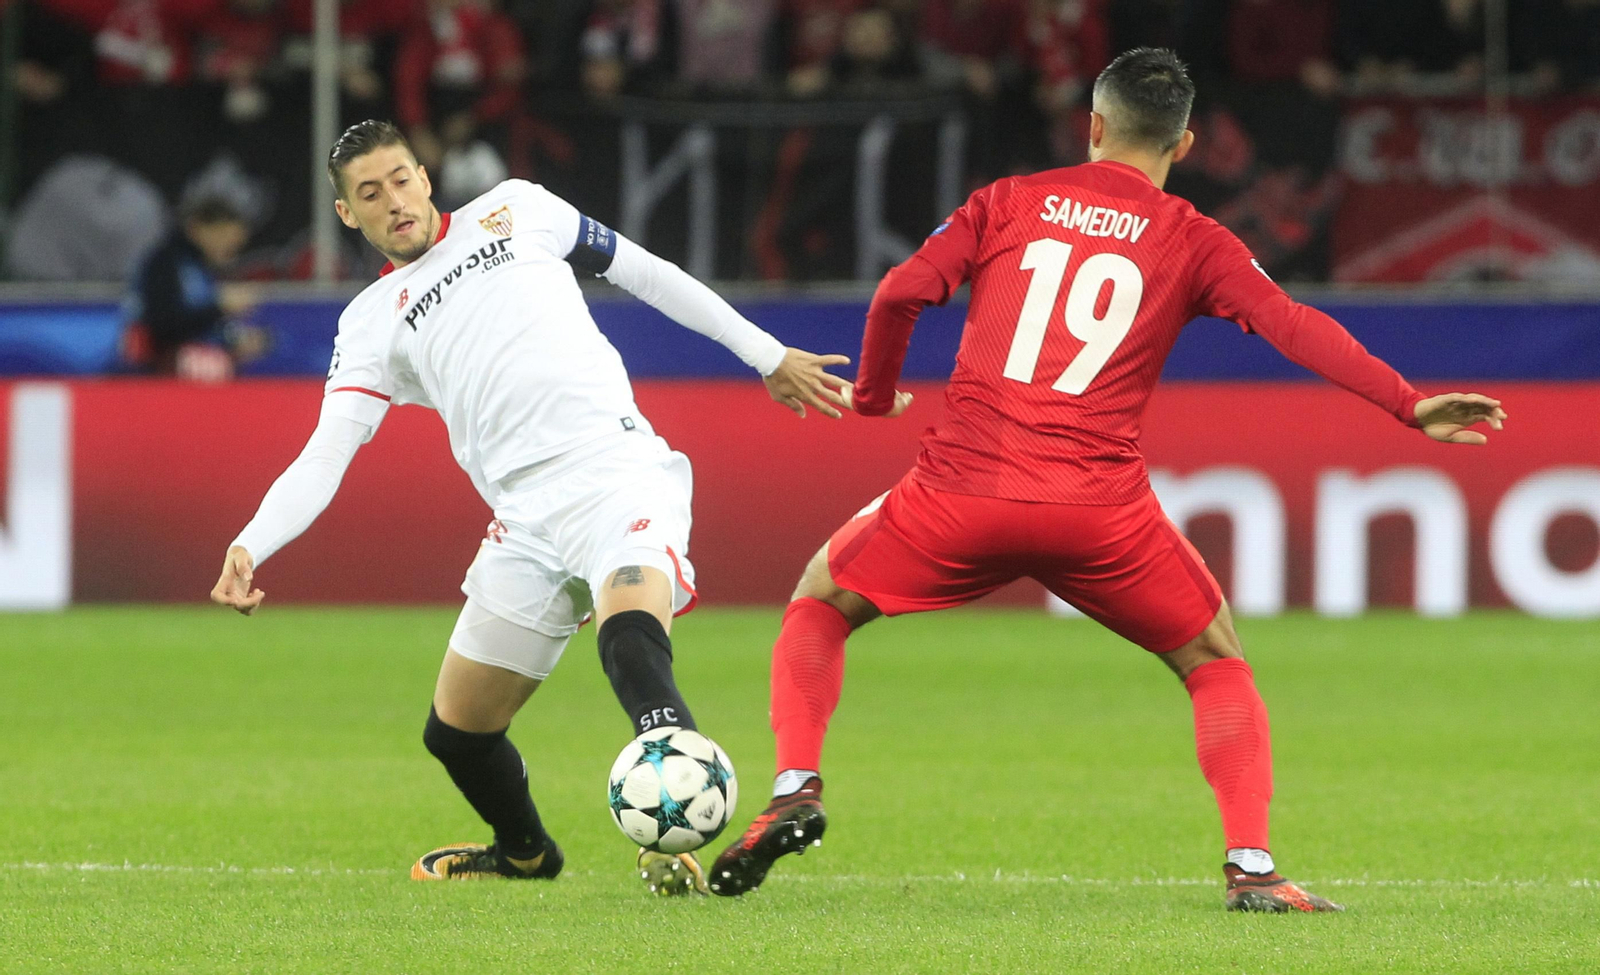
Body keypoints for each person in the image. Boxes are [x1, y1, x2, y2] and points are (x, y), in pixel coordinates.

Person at [708, 48, 1507, 911]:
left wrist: (872, 397)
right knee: (1214, 661)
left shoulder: (1004, 201)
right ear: (1185, 143)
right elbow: (1292, 323)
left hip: (961, 492)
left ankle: (795, 787)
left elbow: (901, 292)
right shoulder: (1194, 238)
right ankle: (1252, 866)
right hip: (1098, 512)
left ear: (1091, 125)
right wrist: (1408, 404)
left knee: (821, 600)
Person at [209, 119, 852, 893]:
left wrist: (766, 355)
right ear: (347, 213)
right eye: (370, 194)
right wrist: (252, 542)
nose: (395, 202)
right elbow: (328, 450)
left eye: (402, 179)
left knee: (629, 632)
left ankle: (673, 820)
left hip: (617, 472)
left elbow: (647, 272)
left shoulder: (518, 209)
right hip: (523, 521)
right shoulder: (370, 322)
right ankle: (524, 852)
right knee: (457, 731)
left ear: (425, 176)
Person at [122, 195, 266, 381]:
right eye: (224, 236)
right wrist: (219, 307)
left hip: (190, 371)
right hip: (159, 377)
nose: (230, 247)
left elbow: (202, 327)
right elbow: (163, 324)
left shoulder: (201, 267)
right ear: (198, 229)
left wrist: (233, 342)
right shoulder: (166, 263)